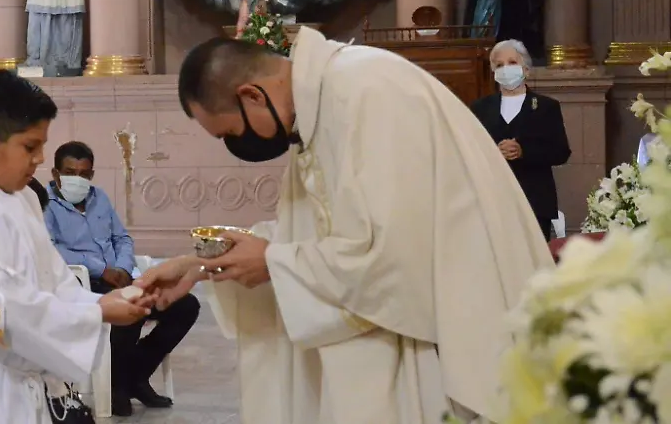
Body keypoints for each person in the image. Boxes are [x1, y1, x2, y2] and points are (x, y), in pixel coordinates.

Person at [137, 31, 552, 424]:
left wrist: (274, 262)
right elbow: (311, 233)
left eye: (231, 131)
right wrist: (199, 265)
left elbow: (398, 256)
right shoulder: (318, 109)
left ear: (251, 95)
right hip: (377, 345)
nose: (238, 145)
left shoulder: (366, 91)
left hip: (430, 346)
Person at [0, 70, 154, 424]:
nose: (41, 158)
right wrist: (98, 314)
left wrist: (103, 301)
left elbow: (51, 279)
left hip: (13, 378)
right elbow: (4, 313)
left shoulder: (19, 195)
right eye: (30, 146)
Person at [43, 141, 199, 416]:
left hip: (120, 277)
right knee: (130, 313)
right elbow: (51, 248)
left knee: (185, 306)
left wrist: (124, 268)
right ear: (56, 174)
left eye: (84, 174)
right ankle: (117, 387)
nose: (77, 180)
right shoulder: (46, 204)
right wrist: (101, 270)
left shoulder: (99, 197)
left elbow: (122, 238)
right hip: (82, 283)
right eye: (70, 173)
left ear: (91, 174)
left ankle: (134, 377)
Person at [470, 40, 572, 241]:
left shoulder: (546, 107)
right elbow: (470, 149)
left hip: (534, 200)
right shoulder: (480, 108)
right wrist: (492, 151)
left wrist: (523, 151)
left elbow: (560, 151)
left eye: (512, 62)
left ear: (526, 69)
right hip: (492, 201)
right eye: (499, 65)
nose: (505, 69)